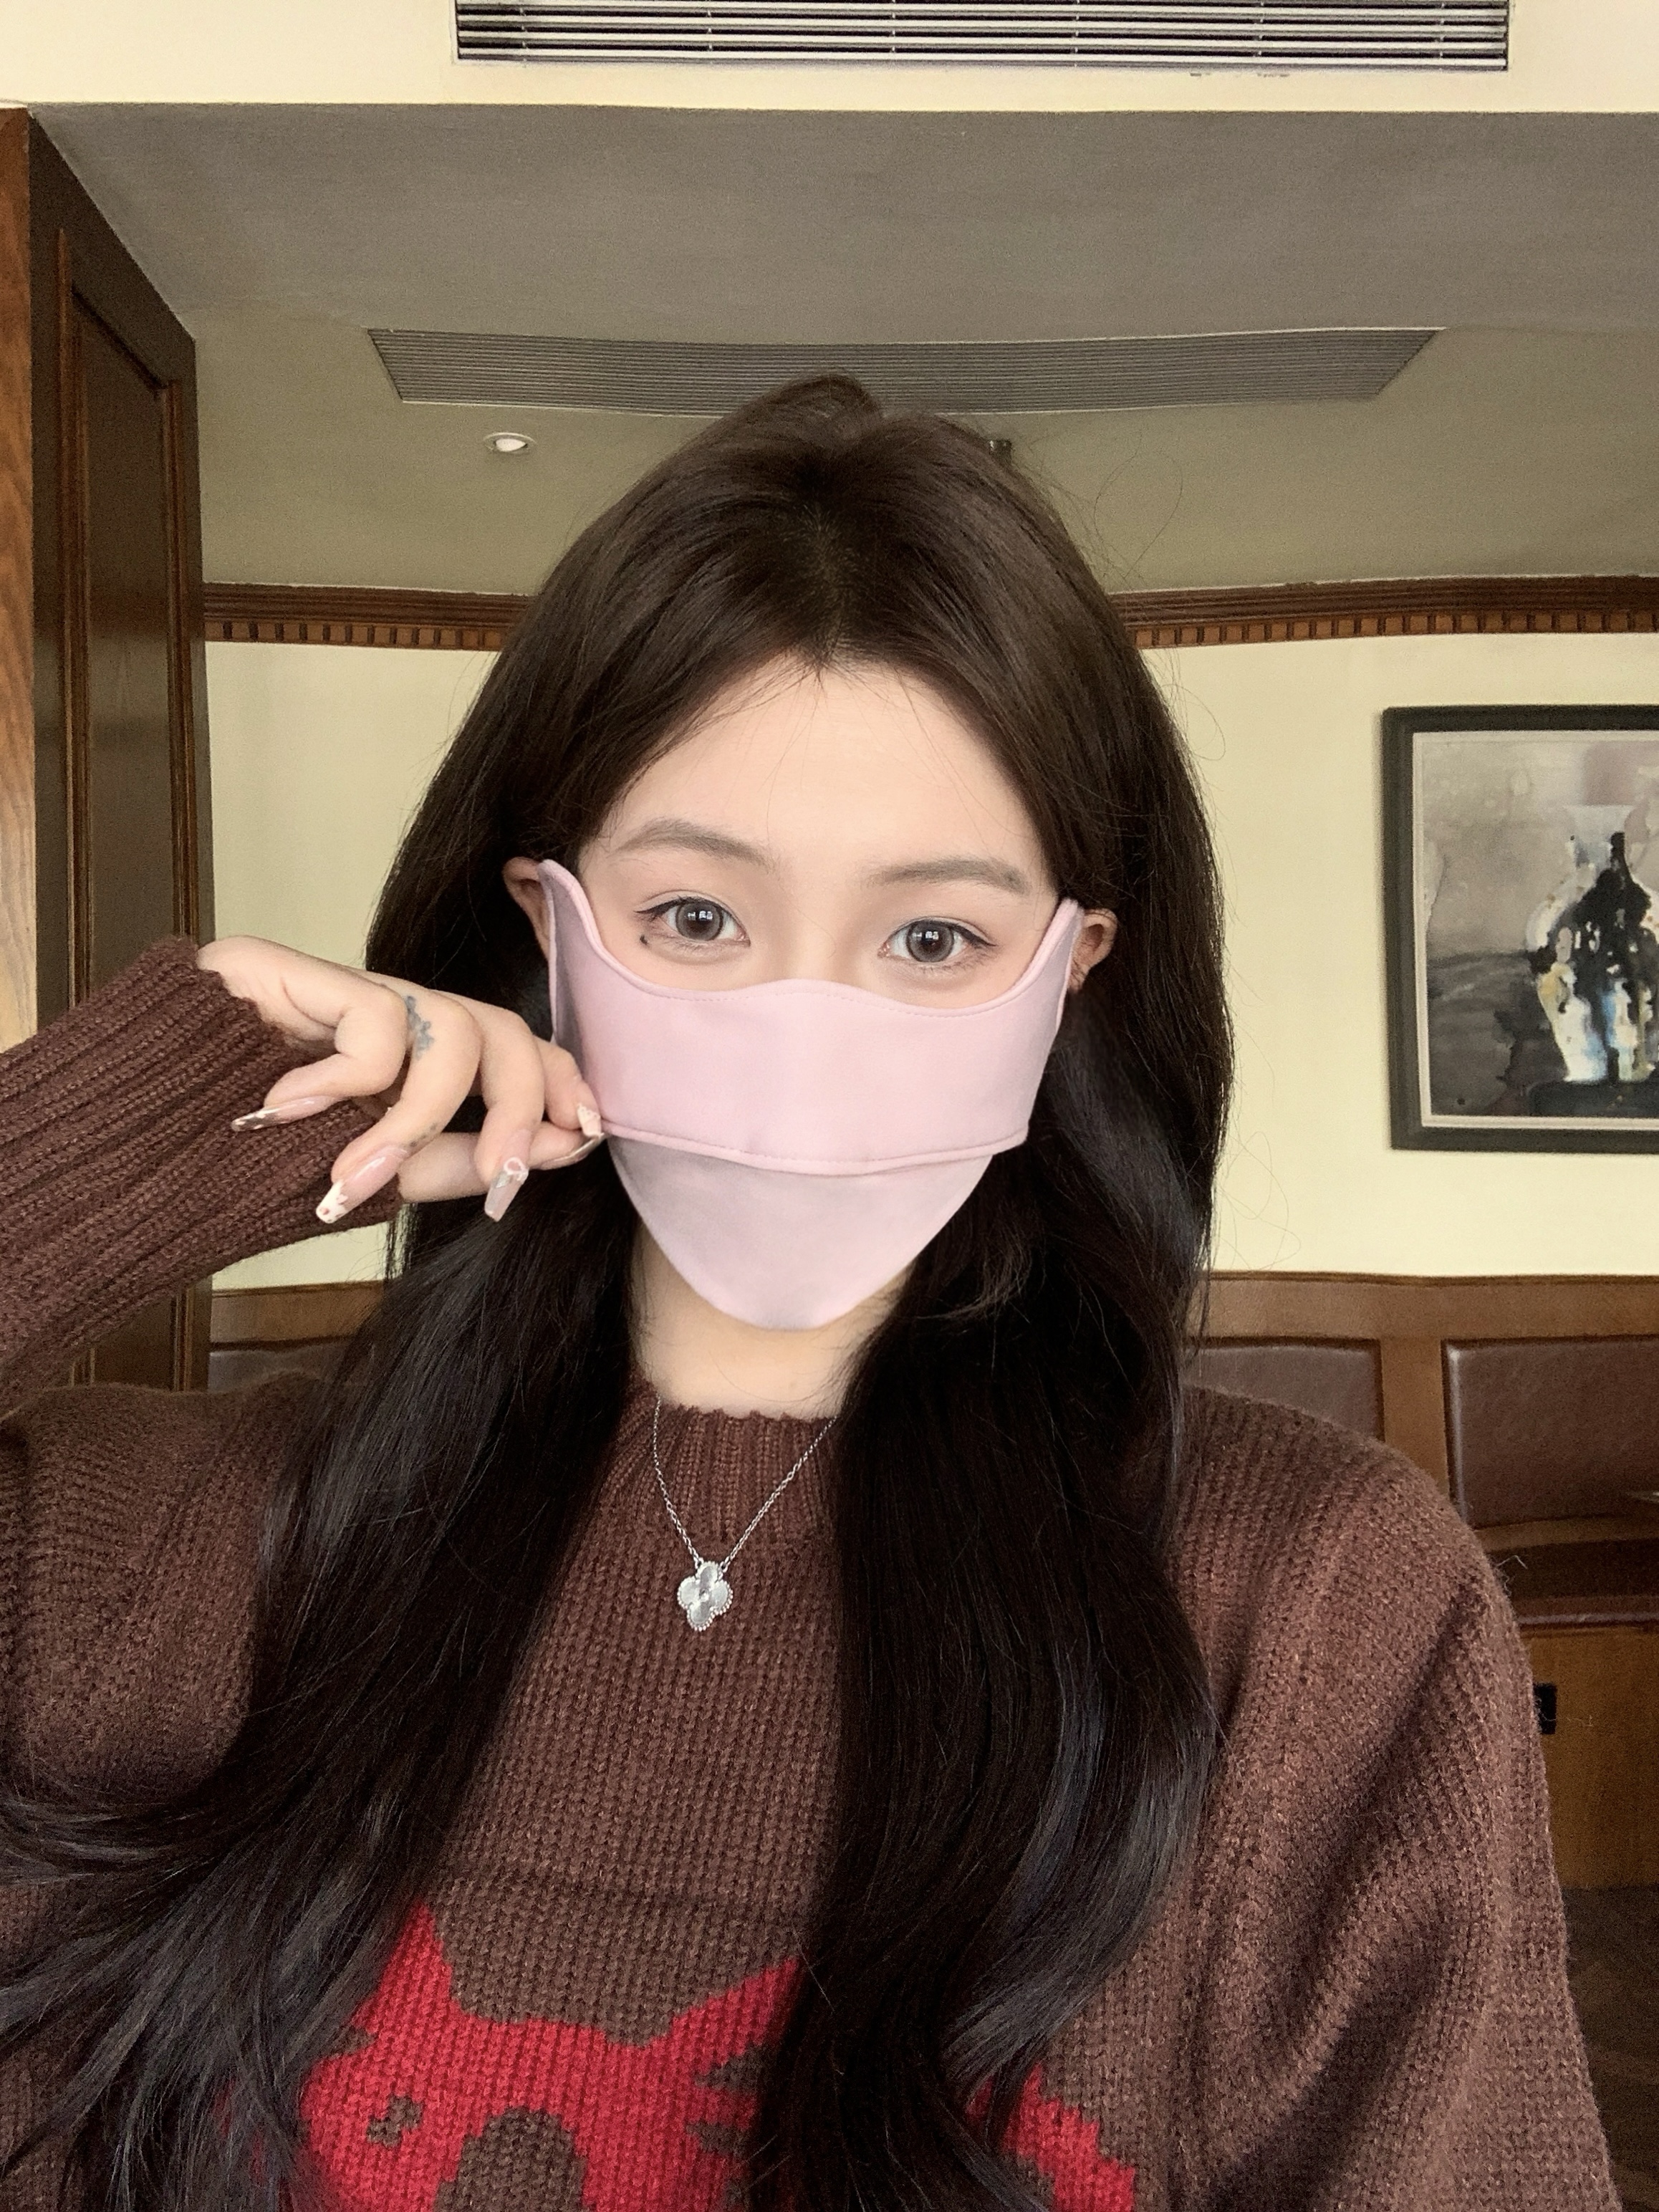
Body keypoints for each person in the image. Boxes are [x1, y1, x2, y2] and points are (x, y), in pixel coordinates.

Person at [0, 379, 1615, 2212]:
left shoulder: (1319, 1612)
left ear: (1073, 970)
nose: (807, 1031)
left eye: (934, 937)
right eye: (697, 917)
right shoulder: (139, 1549)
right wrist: (120, 1136)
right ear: (548, 927)